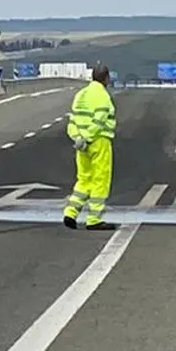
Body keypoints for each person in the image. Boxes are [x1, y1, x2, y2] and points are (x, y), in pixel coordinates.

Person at [62, 64, 117, 230]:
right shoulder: (102, 96)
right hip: (99, 141)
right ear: (106, 78)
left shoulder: (81, 94)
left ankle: (70, 212)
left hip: (81, 145)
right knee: (100, 179)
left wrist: (78, 138)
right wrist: (88, 137)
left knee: (84, 178)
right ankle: (94, 219)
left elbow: (72, 121)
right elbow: (100, 121)